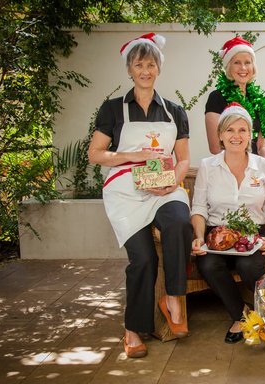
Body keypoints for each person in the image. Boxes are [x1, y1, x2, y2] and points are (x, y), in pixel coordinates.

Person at [88, 33, 192, 358]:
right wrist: (131, 157)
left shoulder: (174, 111)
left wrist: (172, 182)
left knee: (179, 221)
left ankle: (174, 297)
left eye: (150, 64)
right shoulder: (113, 109)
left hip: (164, 186)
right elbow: (95, 154)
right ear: (130, 70)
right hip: (126, 190)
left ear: (158, 68)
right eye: (139, 64)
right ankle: (133, 328)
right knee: (144, 259)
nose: (145, 70)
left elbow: (184, 158)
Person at [191, 103, 265, 344]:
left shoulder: (264, 166)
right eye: (230, 130)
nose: (236, 136)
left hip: (253, 234)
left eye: (242, 130)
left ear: (250, 135)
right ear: (220, 135)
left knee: (248, 268)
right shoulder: (208, 167)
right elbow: (198, 208)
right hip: (217, 234)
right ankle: (241, 316)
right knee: (209, 265)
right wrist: (199, 237)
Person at [204, 36, 265, 263]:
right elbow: (214, 145)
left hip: (257, 170)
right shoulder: (217, 98)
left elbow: (261, 144)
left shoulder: (258, 100)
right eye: (237, 62)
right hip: (231, 170)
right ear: (228, 66)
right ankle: (254, 255)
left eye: (247, 62)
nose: (243, 68)